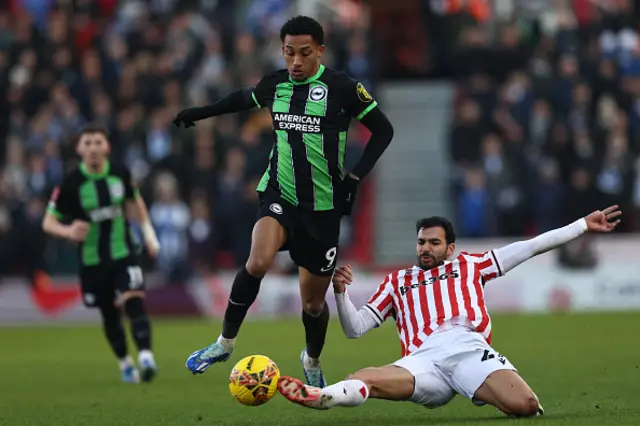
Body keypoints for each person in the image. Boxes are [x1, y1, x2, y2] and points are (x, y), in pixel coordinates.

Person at [174, 15, 394, 386]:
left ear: (320, 51)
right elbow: (242, 99)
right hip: (280, 193)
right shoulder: (276, 84)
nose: (295, 61)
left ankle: (311, 359)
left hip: (322, 210)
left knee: (312, 304)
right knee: (257, 261)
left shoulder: (342, 88)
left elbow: (383, 131)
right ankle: (225, 343)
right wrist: (202, 112)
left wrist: (355, 176)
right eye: (289, 52)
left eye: (304, 53)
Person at [277, 206, 622, 416]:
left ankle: (485, 387)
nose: (425, 248)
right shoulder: (398, 281)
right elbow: (355, 329)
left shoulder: (472, 265)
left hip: (467, 349)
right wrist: (341, 294)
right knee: (362, 378)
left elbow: (530, 247)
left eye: (434, 242)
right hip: (422, 361)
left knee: (525, 407)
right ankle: (323, 396)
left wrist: (581, 226)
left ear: (450, 248)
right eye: (421, 242)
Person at [42, 124, 161, 384]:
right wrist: (68, 231)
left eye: (98, 142)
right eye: (88, 143)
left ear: (106, 147)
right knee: (109, 314)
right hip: (93, 260)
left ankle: (146, 357)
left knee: (134, 300)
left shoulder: (120, 173)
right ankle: (125, 363)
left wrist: (148, 233)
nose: (93, 148)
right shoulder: (71, 183)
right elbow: (48, 222)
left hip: (124, 250)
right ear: (79, 149)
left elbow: (135, 202)